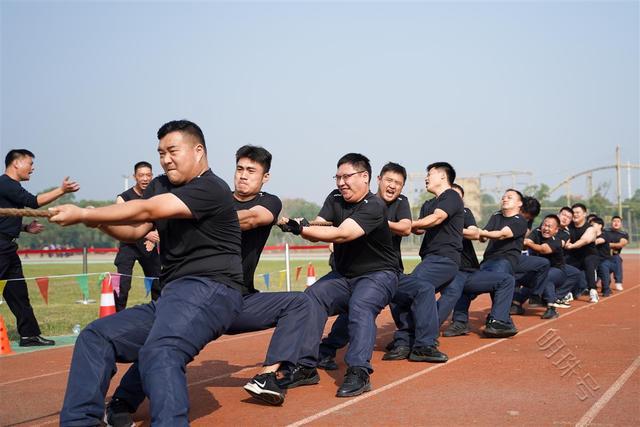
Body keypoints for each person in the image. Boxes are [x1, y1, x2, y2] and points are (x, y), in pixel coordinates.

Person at [55, 120, 247, 426]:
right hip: (171, 295)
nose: (165, 159)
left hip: (212, 290)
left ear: (198, 151)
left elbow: (148, 211)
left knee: (161, 351)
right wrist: (93, 221)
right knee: (95, 337)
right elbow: (133, 231)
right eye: (160, 153)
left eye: (172, 150)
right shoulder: (161, 185)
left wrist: (85, 213)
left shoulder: (211, 187)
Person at [103, 145, 314, 420]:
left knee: (300, 302)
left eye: (251, 171)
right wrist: (99, 218)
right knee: (163, 343)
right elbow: (140, 226)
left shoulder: (268, 202)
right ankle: (121, 403)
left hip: (238, 299)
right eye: (239, 169)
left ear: (265, 177)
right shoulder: (212, 197)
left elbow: (253, 218)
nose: (243, 176)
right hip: (193, 295)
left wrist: (206, 217)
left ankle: (267, 376)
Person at [278, 153, 400, 398]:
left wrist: (303, 228)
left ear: (364, 177)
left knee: (361, 304)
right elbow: (320, 227)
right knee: (311, 297)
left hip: (380, 274)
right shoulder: (335, 198)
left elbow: (343, 233)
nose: (341, 183)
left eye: (347, 177)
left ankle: (359, 370)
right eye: (338, 177)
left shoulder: (374, 206)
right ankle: (305, 367)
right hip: (344, 275)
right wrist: (298, 226)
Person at [316, 162, 412, 371]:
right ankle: (309, 360)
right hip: (347, 271)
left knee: (420, 290)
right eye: (389, 180)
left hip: (383, 271)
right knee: (315, 299)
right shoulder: (339, 199)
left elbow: (406, 228)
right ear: (377, 179)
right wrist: (304, 227)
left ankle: (413, 343)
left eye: (398, 183)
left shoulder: (383, 205)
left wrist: (371, 223)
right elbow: (321, 225)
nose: (392, 186)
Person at [383, 162, 463, 361]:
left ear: (443, 177)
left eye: (430, 174)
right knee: (403, 293)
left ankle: (412, 342)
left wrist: (404, 224)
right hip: (429, 258)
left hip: (444, 258)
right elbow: (418, 228)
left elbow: (436, 219)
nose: (426, 177)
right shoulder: (428, 204)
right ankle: (409, 339)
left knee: (409, 288)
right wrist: (407, 224)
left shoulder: (451, 196)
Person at [0, 149, 79, 346]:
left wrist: (26, 227)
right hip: (0, 248)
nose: (33, 168)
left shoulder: (10, 187)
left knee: (18, 294)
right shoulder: (5, 183)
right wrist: (61, 190)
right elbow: (32, 202)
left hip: (8, 248)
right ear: (16, 163)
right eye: (30, 163)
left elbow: (5, 219)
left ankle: (29, 335)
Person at [444, 189, 528, 337]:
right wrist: (479, 234)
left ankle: (498, 320)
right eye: (503, 196)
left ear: (519, 203)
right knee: (465, 285)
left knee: (499, 282)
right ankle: (460, 322)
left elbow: (502, 234)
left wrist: (474, 232)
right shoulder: (496, 216)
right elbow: (484, 235)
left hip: (504, 261)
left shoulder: (519, 220)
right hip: (487, 261)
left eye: (509, 197)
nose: (504, 199)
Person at [113, 161, 161, 310]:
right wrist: (147, 234)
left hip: (149, 246)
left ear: (152, 176)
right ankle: (117, 318)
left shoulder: (156, 196)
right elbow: (122, 223)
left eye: (148, 175)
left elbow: (163, 218)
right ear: (135, 177)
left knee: (158, 283)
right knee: (123, 285)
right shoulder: (123, 198)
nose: (145, 178)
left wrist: (157, 235)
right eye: (141, 175)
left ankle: (159, 315)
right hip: (128, 245)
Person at [516, 214, 573, 319]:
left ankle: (551, 308)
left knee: (545, 276)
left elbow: (544, 249)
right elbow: (528, 241)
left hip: (557, 271)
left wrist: (528, 244)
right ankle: (516, 303)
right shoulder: (536, 232)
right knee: (519, 276)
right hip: (538, 270)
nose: (546, 228)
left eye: (550, 226)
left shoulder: (557, 240)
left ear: (556, 230)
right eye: (544, 225)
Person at [564, 203, 599, 303]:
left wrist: (572, 245)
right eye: (573, 212)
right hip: (574, 257)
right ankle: (567, 292)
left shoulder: (591, 228)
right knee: (564, 263)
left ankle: (593, 290)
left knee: (588, 261)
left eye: (577, 212)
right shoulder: (568, 227)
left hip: (589, 255)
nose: (575, 215)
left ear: (584, 214)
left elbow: (585, 240)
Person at [590, 217, 614, 297]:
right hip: (594, 260)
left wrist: (585, 241)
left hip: (605, 260)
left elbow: (598, 241)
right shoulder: (589, 235)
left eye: (593, 225)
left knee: (603, 268)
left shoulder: (604, 235)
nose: (591, 226)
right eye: (590, 225)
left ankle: (606, 289)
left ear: (600, 226)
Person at [606, 216, 629, 290]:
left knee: (618, 259)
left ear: (621, 224)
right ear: (611, 222)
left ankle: (618, 282)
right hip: (603, 256)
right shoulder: (605, 231)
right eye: (614, 221)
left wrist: (607, 244)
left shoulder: (623, 234)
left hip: (614, 256)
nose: (616, 223)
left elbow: (621, 244)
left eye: (618, 221)